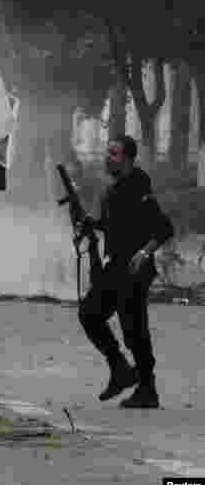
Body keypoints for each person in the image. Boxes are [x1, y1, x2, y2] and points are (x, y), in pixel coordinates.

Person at [78, 135, 174, 409]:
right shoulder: (114, 190)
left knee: (134, 330)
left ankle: (147, 388)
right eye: (108, 152)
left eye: (114, 154)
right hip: (115, 267)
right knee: (90, 313)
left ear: (129, 158)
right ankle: (119, 368)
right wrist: (92, 224)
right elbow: (114, 228)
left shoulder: (139, 188)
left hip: (134, 271)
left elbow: (164, 228)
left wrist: (144, 253)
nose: (108, 157)